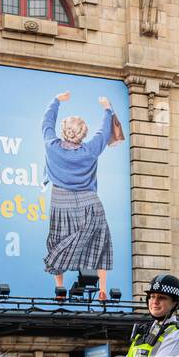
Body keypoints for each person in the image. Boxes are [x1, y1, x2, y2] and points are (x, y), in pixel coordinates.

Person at [42, 91, 121, 301]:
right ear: (83, 134)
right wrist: (107, 108)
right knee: (101, 241)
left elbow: (46, 124)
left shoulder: (51, 146)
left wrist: (56, 101)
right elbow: (104, 132)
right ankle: (102, 289)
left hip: (61, 201)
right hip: (89, 201)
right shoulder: (90, 150)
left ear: (64, 131)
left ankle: (60, 288)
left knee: (57, 241)